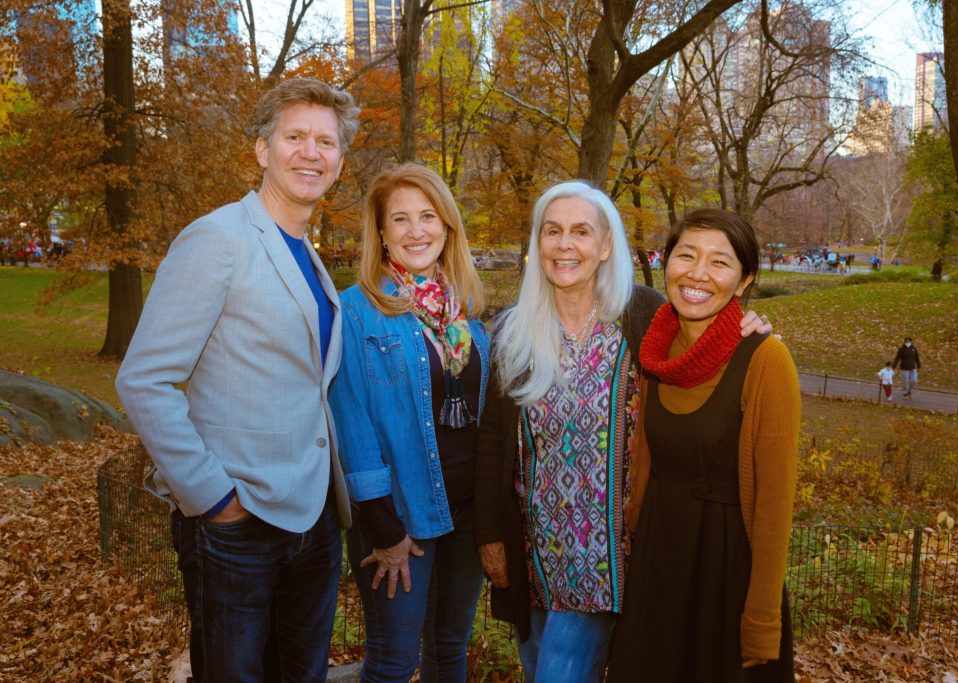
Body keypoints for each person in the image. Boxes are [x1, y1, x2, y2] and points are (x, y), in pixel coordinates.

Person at [475, 183, 771, 683]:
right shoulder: (511, 331)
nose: (565, 244)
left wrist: (751, 330)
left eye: (581, 231)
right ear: (538, 243)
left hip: (609, 559)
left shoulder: (645, 315)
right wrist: (489, 536)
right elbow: (491, 441)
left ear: (606, 245)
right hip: (535, 554)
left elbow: (708, 346)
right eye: (553, 231)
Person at [115, 77, 359, 681]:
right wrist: (213, 499)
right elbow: (144, 379)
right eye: (294, 136)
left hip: (314, 520)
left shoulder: (311, 258)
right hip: (239, 523)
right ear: (262, 150)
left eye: (324, 142)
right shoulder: (218, 239)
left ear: (339, 162)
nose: (310, 152)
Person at [607, 208, 799, 682]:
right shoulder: (654, 350)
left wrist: (761, 621)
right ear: (665, 263)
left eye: (719, 262)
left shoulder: (765, 359)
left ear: (743, 280)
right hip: (658, 566)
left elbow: (775, 508)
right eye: (686, 255)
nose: (697, 273)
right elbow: (645, 463)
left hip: (725, 573)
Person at [329, 163, 489, 683]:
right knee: (394, 664)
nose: (416, 230)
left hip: (466, 517)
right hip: (400, 521)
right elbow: (350, 423)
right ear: (381, 232)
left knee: (449, 649)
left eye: (428, 216)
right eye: (400, 219)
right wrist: (383, 528)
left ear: (447, 225)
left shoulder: (467, 314)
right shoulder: (356, 312)